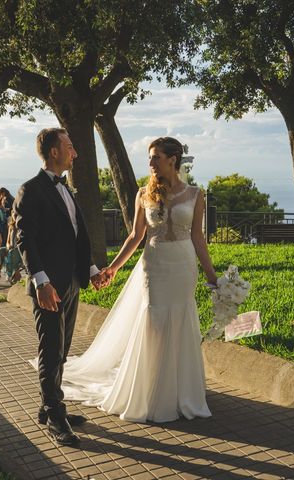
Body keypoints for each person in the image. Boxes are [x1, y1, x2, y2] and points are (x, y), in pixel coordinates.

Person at [58, 136, 217, 423]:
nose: (151, 163)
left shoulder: (196, 194)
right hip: (154, 266)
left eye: (156, 157)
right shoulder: (144, 192)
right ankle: (152, 392)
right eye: (150, 158)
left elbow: (198, 238)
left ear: (173, 159)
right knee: (154, 322)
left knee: (181, 321)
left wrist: (212, 277)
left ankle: (182, 393)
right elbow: (135, 236)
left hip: (183, 266)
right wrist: (114, 268)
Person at [13, 127, 108, 447]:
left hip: (72, 283)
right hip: (48, 287)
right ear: (54, 152)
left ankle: (48, 406)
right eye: (70, 146)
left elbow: (77, 236)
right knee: (50, 351)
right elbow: (24, 240)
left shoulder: (68, 189)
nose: (75, 152)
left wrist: (92, 270)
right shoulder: (30, 190)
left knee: (62, 351)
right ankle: (55, 416)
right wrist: (40, 281)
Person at [0, 211, 23, 287]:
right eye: (13, 215)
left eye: (16, 215)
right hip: (11, 248)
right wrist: (8, 245)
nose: (14, 217)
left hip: (20, 250)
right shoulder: (11, 227)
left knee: (13, 252)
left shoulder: (22, 227)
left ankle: (15, 274)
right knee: (0, 251)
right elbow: (7, 241)